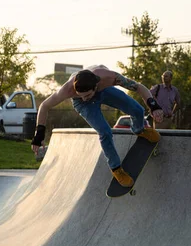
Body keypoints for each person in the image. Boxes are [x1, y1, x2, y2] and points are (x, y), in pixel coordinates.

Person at [31, 66, 164, 187]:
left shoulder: (110, 77)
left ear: (96, 85)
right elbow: (44, 106)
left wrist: (153, 106)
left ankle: (139, 130)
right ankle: (116, 169)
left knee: (138, 110)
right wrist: (39, 134)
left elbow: (139, 87)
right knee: (105, 132)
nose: (85, 98)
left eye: (87, 95)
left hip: (104, 91)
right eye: (81, 95)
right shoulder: (67, 91)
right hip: (83, 107)